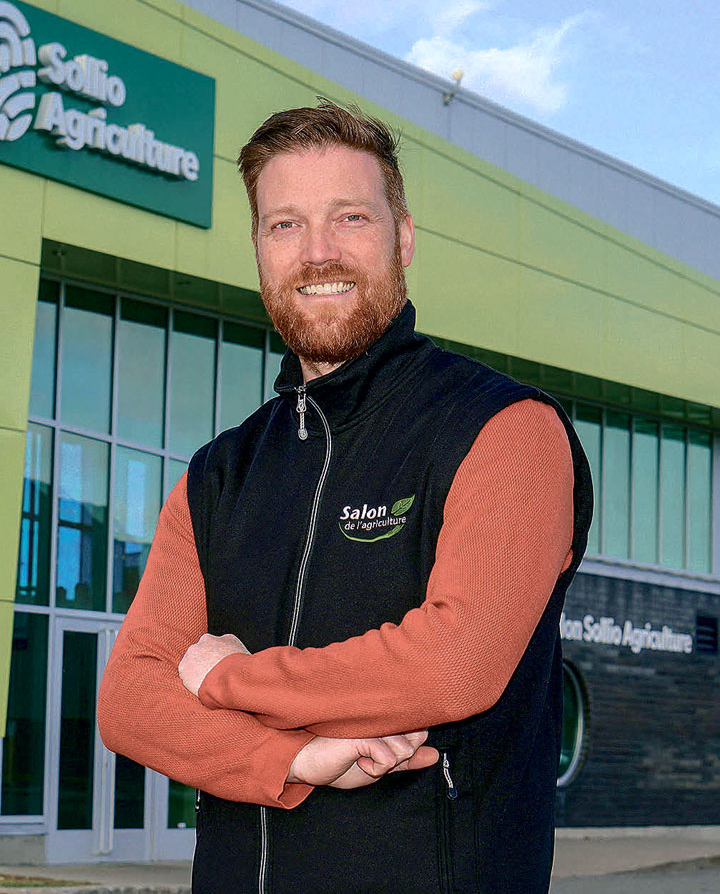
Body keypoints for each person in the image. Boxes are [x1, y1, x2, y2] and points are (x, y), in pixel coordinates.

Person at [98, 99, 592, 893]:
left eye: (350, 217)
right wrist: (289, 757)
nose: (318, 252)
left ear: (403, 235)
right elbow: (129, 697)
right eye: (285, 224)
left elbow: (451, 662)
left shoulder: (503, 428)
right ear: (259, 249)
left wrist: (229, 680)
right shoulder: (218, 474)